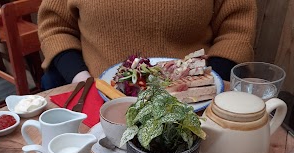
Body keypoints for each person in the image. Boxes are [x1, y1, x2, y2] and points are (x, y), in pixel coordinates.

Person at [37, 0, 257, 90]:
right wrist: (82, 80)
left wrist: (202, 85)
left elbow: (236, 33)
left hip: (193, 99)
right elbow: (55, 27)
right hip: (100, 96)